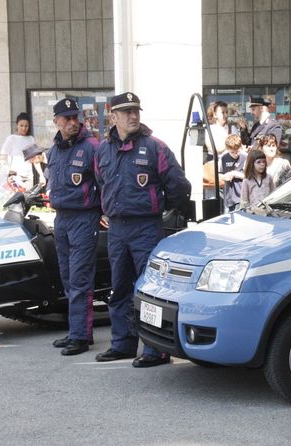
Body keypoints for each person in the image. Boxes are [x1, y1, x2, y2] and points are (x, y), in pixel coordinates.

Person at [94, 92, 191, 367]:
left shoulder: (154, 147)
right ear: (113, 118)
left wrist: (161, 208)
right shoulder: (103, 150)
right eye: (126, 112)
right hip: (117, 229)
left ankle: (155, 350)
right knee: (120, 287)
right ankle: (122, 344)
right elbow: (101, 182)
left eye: (136, 110)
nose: (133, 116)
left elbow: (179, 186)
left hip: (145, 227)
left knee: (150, 290)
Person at [45, 98, 101, 356]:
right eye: (66, 118)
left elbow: (105, 182)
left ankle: (79, 336)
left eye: (74, 117)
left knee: (79, 278)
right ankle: (78, 330)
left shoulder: (91, 147)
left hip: (83, 218)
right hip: (62, 219)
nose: (72, 122)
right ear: (56, 120)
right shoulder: (54, 150)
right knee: (68, 277)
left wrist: (103, 211)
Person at [1, 112, 36, 188]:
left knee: (27, 198)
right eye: (21, 125)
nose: (24, 128)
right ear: (17, 125)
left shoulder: (31, 139)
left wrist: (41, 175)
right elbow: (3, 156)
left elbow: (34, 159)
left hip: (28, 176)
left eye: (26, 126)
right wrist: (7, 171)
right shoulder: (11, 139)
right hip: (15, 176)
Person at [219, 133, 246, 211]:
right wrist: (225, 176)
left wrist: (235, 174)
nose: (235, 155)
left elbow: (249, 176)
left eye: (237, 151)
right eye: (232, 152)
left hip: (241, 196)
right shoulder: (224, 158)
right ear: (227, 149)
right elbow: (219, 174)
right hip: (228, 196)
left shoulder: (244, 157)